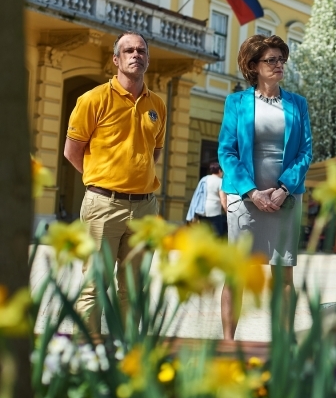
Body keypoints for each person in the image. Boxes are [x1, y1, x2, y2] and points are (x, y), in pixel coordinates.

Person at [64, 31, 165, 335]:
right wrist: (101, 180)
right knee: (94, 285)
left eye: (142, 50)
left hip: (145, 208)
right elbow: (72, 151)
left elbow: (154, 152)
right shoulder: (93, 99)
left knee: (133, 290)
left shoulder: (157, 105)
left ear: (147, 58)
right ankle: (89, 355)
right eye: (129, 50)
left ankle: (126, 355)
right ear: (116, 59)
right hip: (103, 205)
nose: (136, 55)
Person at [218, 34, 312, 340]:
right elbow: (227, 151)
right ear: (254, 66)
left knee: (284, 274)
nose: (279, 65)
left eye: (281, 59)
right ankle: (229, 343)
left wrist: (284, 188)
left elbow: (305, 152)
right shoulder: (236, 102)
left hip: (285, 200)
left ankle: (283, 345)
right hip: (246, 200)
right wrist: (252, 191)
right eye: (271, 60)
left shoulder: (298, 104)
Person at [186, 162, 227, 236]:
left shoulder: (204, 179)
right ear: (219, 171)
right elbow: (223, 199)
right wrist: (227, 212)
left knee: (203, 235)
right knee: (216, 235)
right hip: (214, 212)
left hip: (202, 210)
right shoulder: (220, 181)